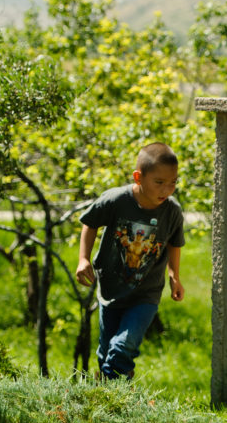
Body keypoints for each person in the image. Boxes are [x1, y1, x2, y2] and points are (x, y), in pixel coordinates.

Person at [75, 142, 185, 379]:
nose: (167, 189)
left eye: (173, 182)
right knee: (106, 352)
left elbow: (174, 243)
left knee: (122, 348)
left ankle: (114, 393)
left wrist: (175, 276)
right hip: (111, 289)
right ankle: (111, 393)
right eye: (159, 182)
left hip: (146, 294)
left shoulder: (172, 211)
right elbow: (90, 223)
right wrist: (83, 259)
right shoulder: (116, 200)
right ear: (138, 177)